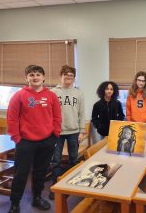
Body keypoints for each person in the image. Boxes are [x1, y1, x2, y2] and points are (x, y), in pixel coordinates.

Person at [7, 65, 61, 213]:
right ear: (27, 78)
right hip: (25, 142)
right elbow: (12, 119)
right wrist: (17, 138)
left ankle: (37, 198)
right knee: (21, 173)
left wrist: (55, 134)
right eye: (31, 75)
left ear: (43, 77)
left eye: (38, 74)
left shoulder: (51, 96)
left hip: (47, 141)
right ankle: (15, 203)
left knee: (40, 172)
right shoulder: (19, 96)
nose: (35, 77)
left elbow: (57, 117)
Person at [49, 65, 85, 200]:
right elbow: (48, 114)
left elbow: (82, 113)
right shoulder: (53, 92)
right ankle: (55, 187)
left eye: (71, 76)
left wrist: (82, 131)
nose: (69, 78)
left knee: (74, 160)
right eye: (66, 75)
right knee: (56, 160)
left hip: (74, 131)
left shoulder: (78, 93)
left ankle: (72, 186)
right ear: (61, 76)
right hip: (57, 132)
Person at [126, 71, 146, 140]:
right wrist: (130, 121)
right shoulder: (131, 93)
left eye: (143, 81)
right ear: (136, 81)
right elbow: (128, 109)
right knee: (135, 144)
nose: (141, 83)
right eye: (139, 80)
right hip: (134, 124)